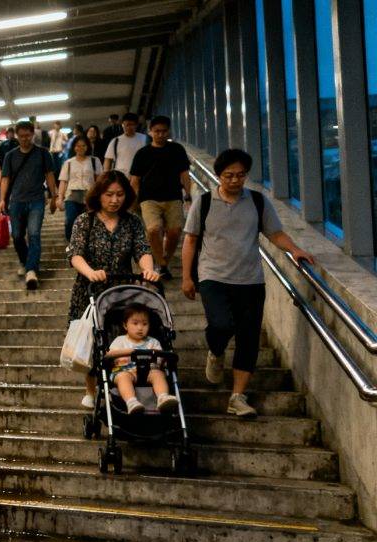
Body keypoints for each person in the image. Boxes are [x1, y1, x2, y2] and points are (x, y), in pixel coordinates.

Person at [181, 148, 314, 418]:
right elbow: (191, 239)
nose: (235, 180)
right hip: (213, 277)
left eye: (240, 175)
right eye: (229, 175)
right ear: (219, 176)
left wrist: (294, 250)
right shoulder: (204, 202)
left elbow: (275, 233)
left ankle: (237, 397)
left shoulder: (257, 201)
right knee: (221, 324)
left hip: (251, 280)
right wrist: (186, 277)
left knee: (249, 338)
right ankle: (216, 352)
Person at [67, 171, 159, 408]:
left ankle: (122, 390)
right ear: (99, 195)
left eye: (120, 194)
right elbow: (75, 254)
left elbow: (143, 250)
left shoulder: (132, 222)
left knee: (119, 341)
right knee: (91, 342)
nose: (114, 200)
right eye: (109, 194)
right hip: (89, 290)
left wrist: (148, 270)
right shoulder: (84, 221)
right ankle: (91, 389)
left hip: (121, 292)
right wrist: (90, 272)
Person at [0, 120, 58, 291]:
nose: (24, 139)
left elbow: (50, 175)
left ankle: (31, 270)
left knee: (34, 234)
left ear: (33, 134)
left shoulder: (43, 153)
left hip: (37, 200)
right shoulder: (10, 155)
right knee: (16, 236)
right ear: (16, 136)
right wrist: (2, 199)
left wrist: (54, 196)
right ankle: (26, 261)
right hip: (16, 201)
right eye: (21, 136)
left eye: (27, 135)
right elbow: (5, 178)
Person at [130, 115, 192, 280]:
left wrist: (188, 193)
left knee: (175, 230)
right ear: (150, 132)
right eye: (157, 131)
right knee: (152, 229)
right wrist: (132, 199)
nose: (161, 134)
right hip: (149, 197)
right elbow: (135, 180)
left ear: (168, 131)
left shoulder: (177, 150)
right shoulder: (142, 153)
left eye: (164, 131)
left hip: (173, 196)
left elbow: (184, 174)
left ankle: (164, 261)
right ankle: (161, 264)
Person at [106, 304, 179, 414]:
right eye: (135, 323)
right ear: (125, 325)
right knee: (123, 378)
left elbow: (160, 358)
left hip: (149, 371)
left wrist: (160, 358)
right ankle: (131, 402)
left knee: (158, 374)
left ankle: (163, 397)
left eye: (145, 324)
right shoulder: (120, 340)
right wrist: (128, 352)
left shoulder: (153, 342)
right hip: (125, 370)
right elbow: (110, 355)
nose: (140, 328)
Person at [55, 135, 103, 241]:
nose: (80, 148)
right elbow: (63, 181)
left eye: (83, 145)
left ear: (88, 147)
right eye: (77, 146)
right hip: (72, 195)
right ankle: (71, 243)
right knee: (70, 221)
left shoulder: (95, 161)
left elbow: (100, 181)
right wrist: (60, 198)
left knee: (89, 223)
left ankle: (85, 246)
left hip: (90, 195)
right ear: (73, 147)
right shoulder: (68, 163)